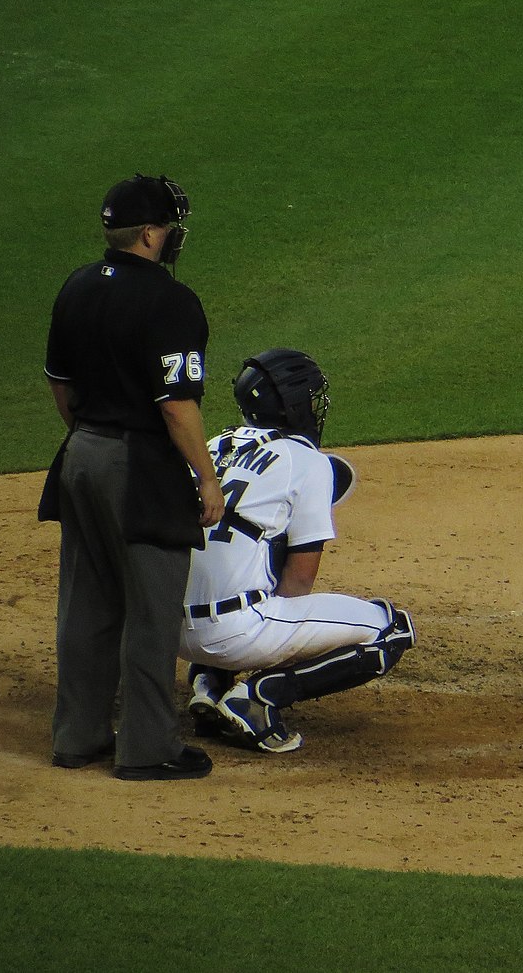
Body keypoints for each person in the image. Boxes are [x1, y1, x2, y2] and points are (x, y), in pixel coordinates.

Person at [41, 173, 225, 781]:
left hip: (80, 455)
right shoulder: (171, 301)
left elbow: (61, 385)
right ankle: (148, 749)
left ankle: (78, 736)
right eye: (169, 227)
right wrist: (205, 476)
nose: (173, 237)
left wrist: (91, 435)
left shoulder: (77, 286)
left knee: (87, 602)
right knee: (151, 609)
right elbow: (177, 406)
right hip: (137, 466)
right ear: (149, 234)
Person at [179, 348, 416, 754]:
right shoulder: (305, 461)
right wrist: (273, 646)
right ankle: (258, 697)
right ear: (292, 406)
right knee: (392, 628)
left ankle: (210, 682)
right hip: (232, 633)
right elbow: (299, 581)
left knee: (240, 552)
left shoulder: (213, 446)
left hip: (169, 630)